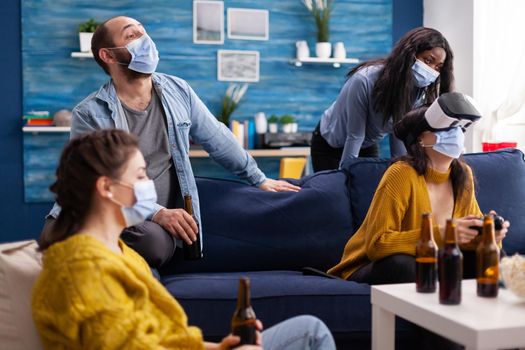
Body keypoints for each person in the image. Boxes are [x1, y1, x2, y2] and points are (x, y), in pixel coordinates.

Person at [32, 129, 336, 350]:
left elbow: (154, 338)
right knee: (311, 335)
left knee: (309, 329)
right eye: (140, 176)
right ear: (107, 188)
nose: (150, 185)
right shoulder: (82, 268)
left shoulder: (120, 252)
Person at [41, 16, 300, 268]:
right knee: (106, 234)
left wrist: (259, 179)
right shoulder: (89, 113)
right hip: (104, 211)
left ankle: (96, 255)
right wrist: (158, 213)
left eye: (144, 32)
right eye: (131, 35)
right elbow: (90, 181)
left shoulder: (179, 91)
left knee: (155, 244)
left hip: (142, 227)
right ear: (108, 56)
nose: (144, 40)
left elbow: (218, 138)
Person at [328, 92, 510, 284]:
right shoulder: (402, 174)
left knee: (490, 256)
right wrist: (444, 233)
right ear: (420, 139)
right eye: (447, 129)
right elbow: (377, 245)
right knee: (408, 264)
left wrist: (488, 235)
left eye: (459, 129)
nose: (456, 134)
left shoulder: (463, 175)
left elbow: (466, 240)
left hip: (435, 263)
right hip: (374, 265)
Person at [311, 27, 454, 172]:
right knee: (338, 190)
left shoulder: (417, 91)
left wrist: (403, 171)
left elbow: (398, 133)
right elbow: (354, 135)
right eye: (428, 60)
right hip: (329, 145)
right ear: (410, 53)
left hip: (366, 145)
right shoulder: (364, 80)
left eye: (438, 67)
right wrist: (346, 175)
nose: (432, 70)